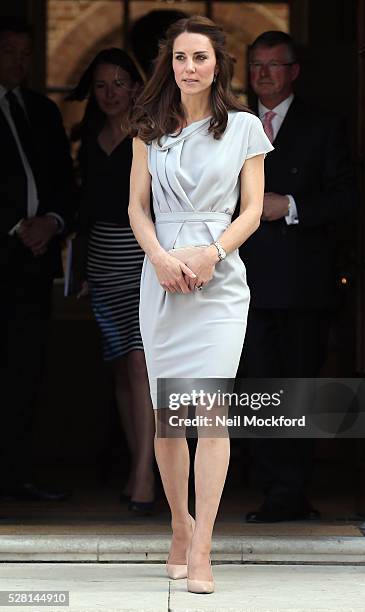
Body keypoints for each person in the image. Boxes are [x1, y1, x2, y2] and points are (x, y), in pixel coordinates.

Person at [128, 15, 272, 594]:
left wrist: (212, 253)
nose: (190, 67)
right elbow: (137, 208)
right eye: (182, 58)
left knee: (210, 415)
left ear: (219, 66)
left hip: (219, 279)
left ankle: (205, 546)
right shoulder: (148, 128)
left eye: (201, 58)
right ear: (170, 64)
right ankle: (179, 528)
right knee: (169, 419)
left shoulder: (243, 128)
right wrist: (161, 258)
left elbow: (254, 210)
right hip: (160, 277)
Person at [240, 31, 356, 523]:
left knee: (297, 387)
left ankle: (290, 491)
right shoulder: (234, 124)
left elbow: (347, 197)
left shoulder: (323, 125)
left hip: (303, 282)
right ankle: (270, 485)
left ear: (293, 72)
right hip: (242, 280)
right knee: (254, 385)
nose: (263, 74)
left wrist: (288, 205)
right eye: (256, 66)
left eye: (274, 65)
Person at [67, 48, 155, 514]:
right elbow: (83, 214)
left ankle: (145, 473)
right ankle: (140, 465)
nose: (110, 93)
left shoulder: (151, 134)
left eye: (120, 83)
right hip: (101, 262)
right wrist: (79, 269)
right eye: (101, 85)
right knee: (122, 366)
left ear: (136, 86)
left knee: (142, 366)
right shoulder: (89, 136)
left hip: (141, 258)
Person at [0, 17, 74, 501]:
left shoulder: (43, 110)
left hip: (33, 265)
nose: (20, 63)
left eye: (27, 55)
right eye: (10, 53)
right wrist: (15, 226)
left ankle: (17, 475)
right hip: (3, 253)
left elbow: (66, 183)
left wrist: (51, 221)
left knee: (25, 374)